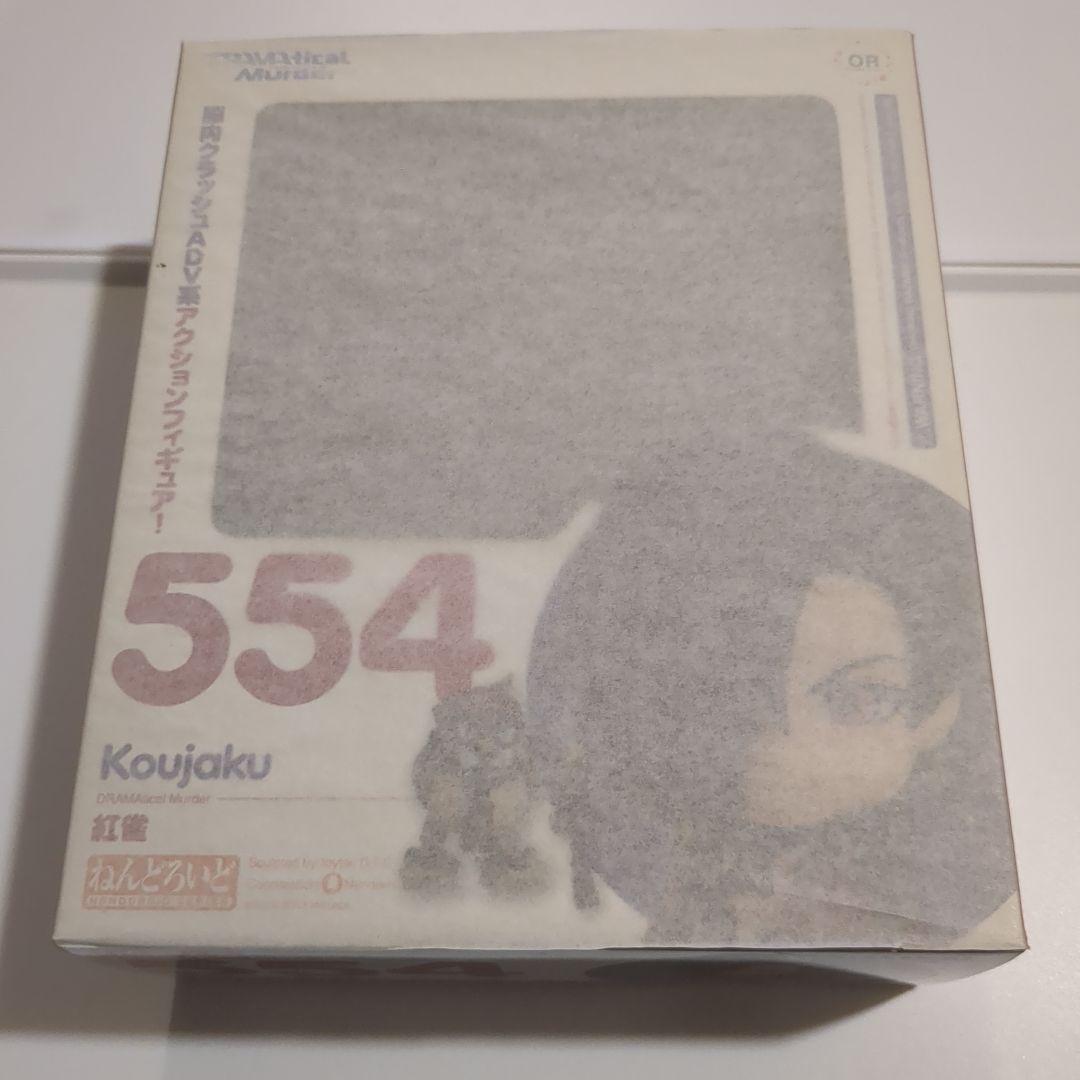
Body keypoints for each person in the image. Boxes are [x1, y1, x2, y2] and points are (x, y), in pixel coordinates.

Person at [526, 433, 1018, 945]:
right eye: (729, 698)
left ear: (933, 716)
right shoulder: (669, 872)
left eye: (862, 699)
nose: (788, 746)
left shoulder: (932, 882)